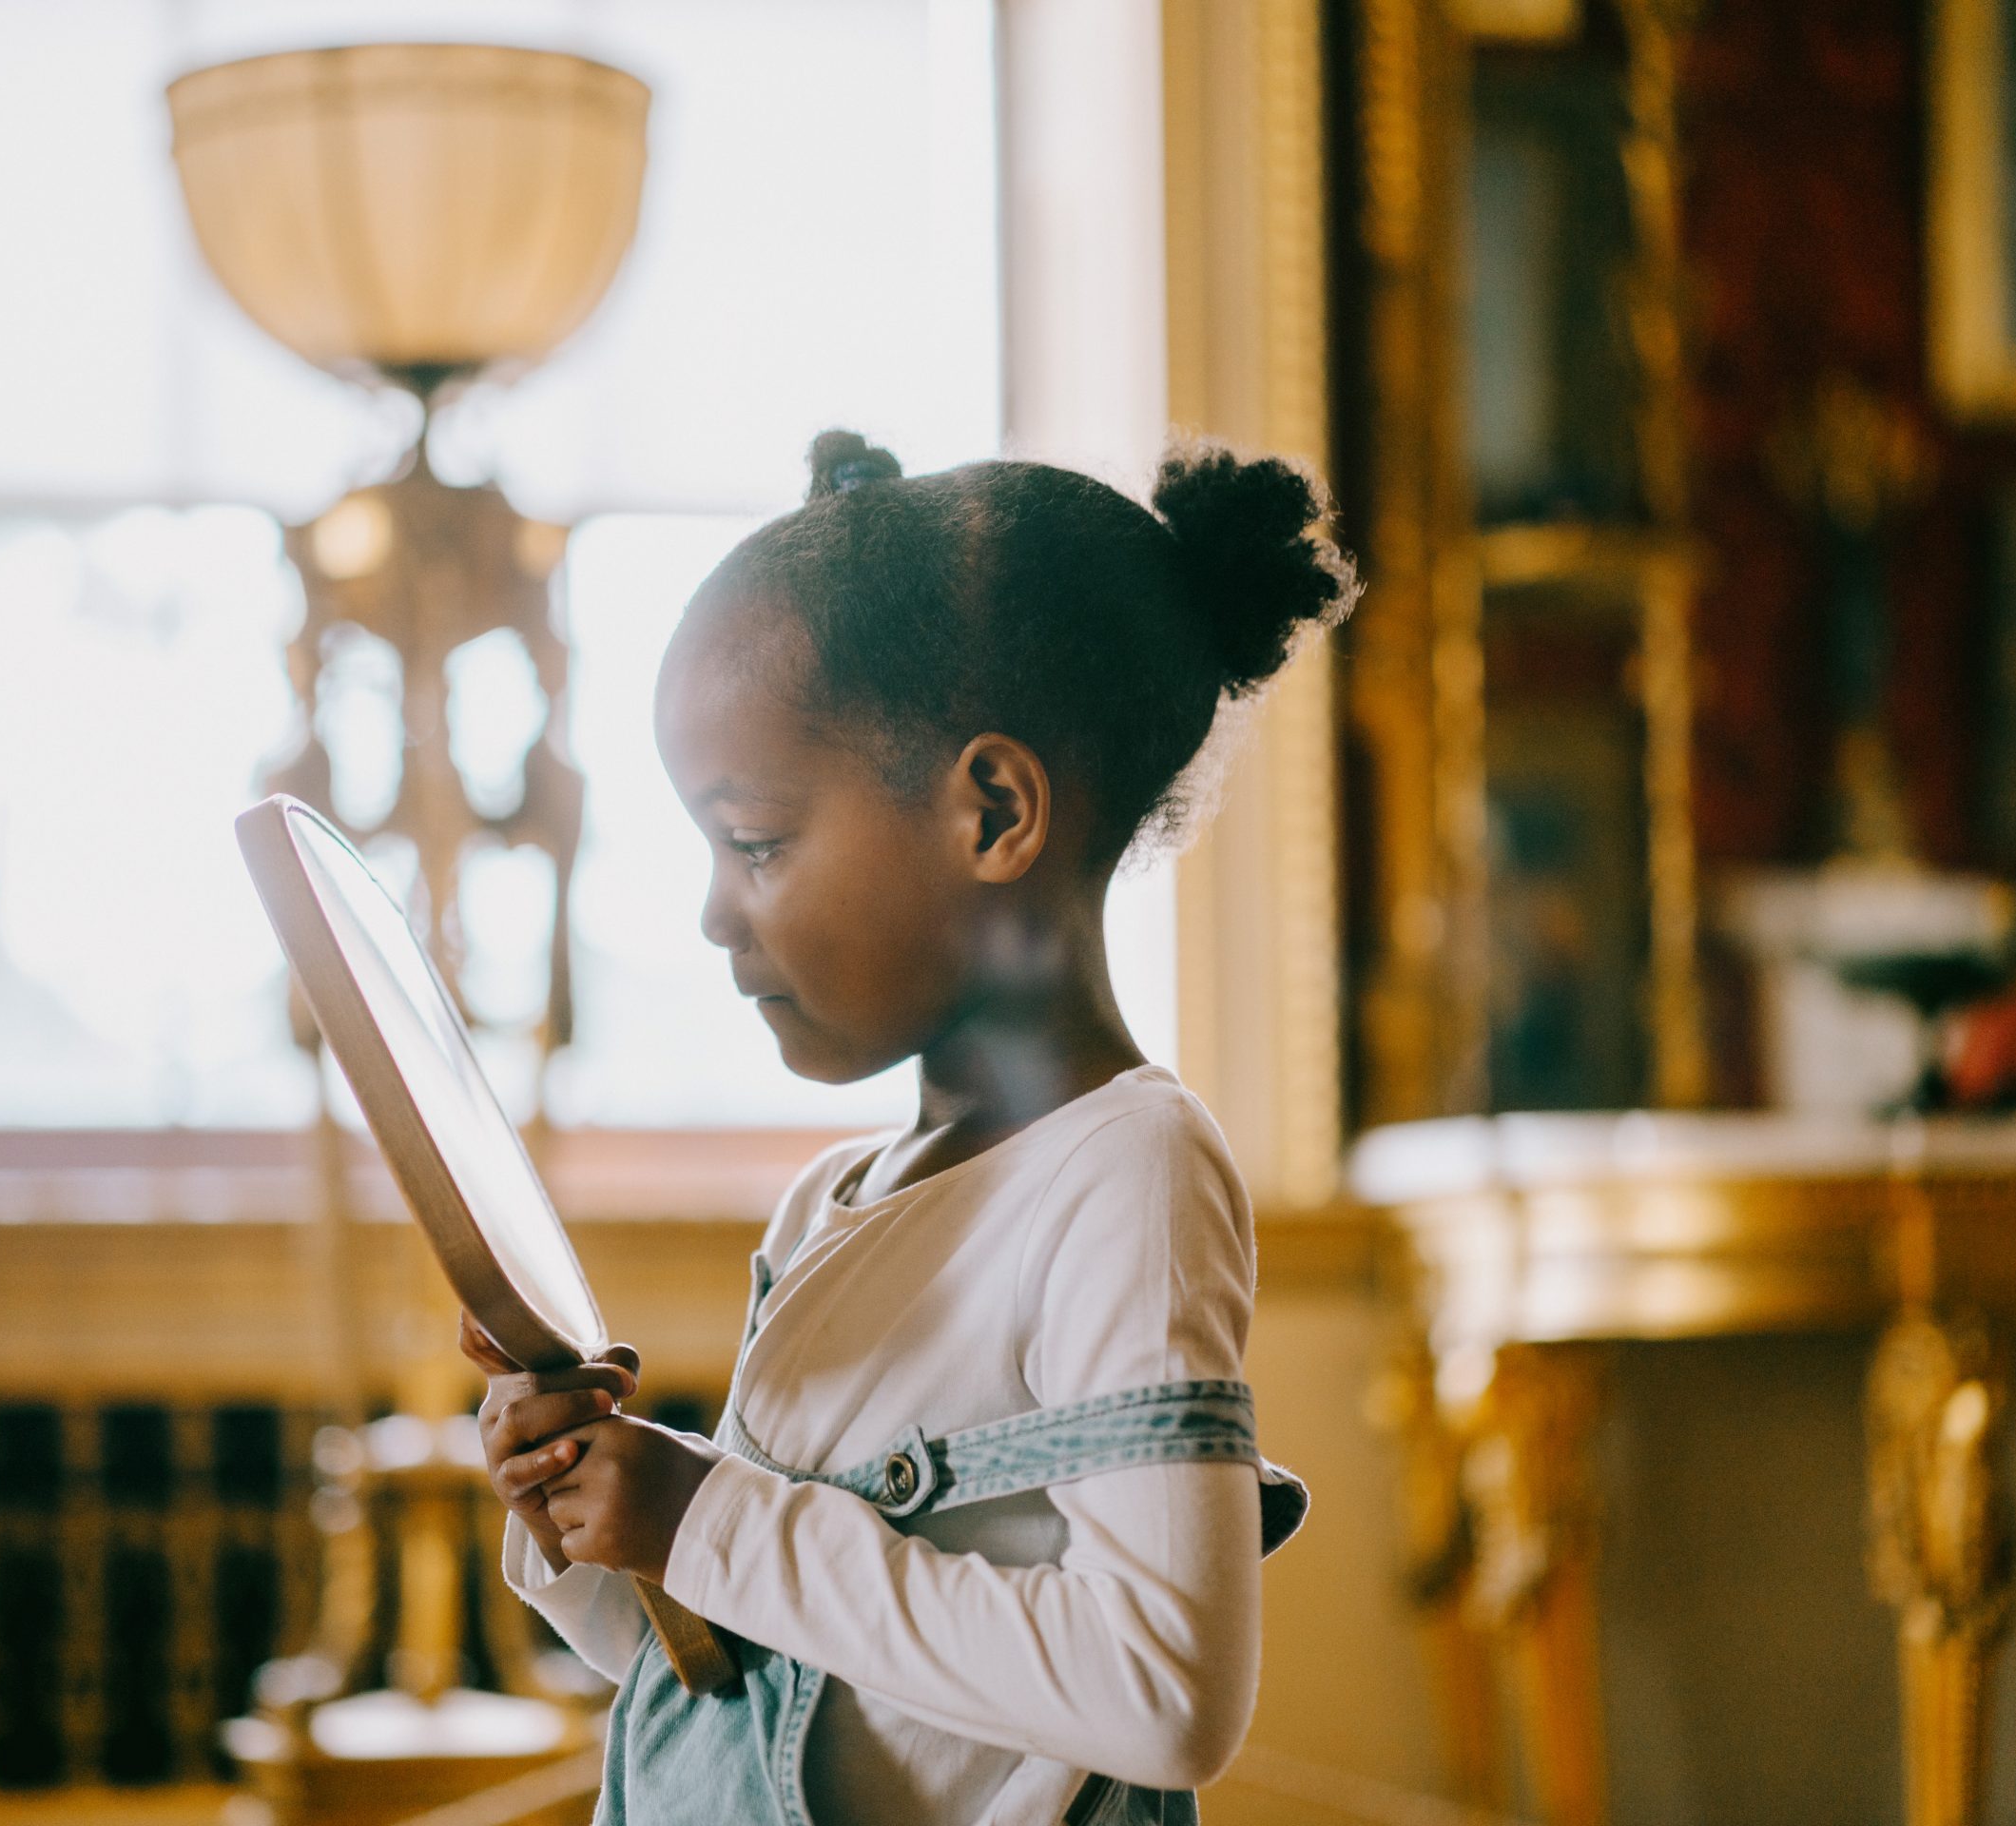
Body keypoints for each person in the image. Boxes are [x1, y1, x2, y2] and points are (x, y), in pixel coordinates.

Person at [461, 430, 1357, 1825]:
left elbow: (1167, 1687)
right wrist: (597, 1518)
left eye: (754, 843)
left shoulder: (1125, 1171)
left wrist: (712, 1519)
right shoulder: (832, 1200)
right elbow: (773, 1672)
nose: (713, 913)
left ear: (993, 810)